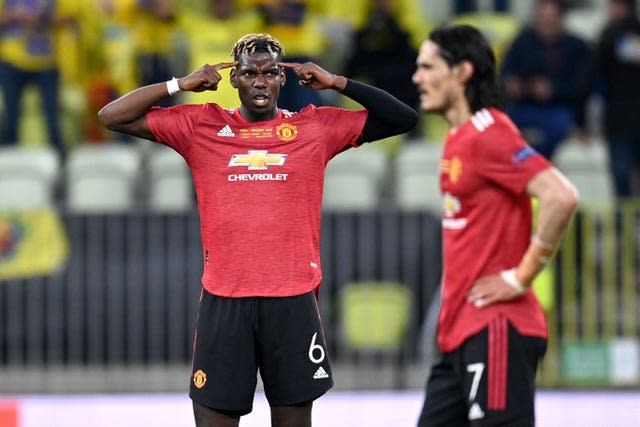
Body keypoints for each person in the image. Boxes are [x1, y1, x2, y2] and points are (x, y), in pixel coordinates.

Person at [98, 33, 417, 427]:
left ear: (284, 79)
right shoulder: (201, 125)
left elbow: (404, 118)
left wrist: (337, 83)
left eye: (270, 73)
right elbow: (111, 116)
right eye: (250, 73)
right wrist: (179, 84)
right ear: (234, 79)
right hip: (225, 299)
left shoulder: (314, 128)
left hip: (293, 299)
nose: (261, 82)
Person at [411, 24, 578, 426]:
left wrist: (521, 278)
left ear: (462, 72)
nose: (417, 77)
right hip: (459, 334)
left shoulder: (491, 133)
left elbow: (561, 195)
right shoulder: (458, 137)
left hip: (496, 327)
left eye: (428, 66)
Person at [500, 0, 591, 160]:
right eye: (543, 19)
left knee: (558, 127)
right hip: (525, 106)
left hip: (559, 108)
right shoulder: (522, 42)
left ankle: (536, 165)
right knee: (500, 128)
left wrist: (553, 89)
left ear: (561, 19)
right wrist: (512, 84)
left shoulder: (576, 47)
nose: (546, 24)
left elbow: (582, 86)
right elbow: (505, 73)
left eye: (551, 19)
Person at [577, 0, 640, 199]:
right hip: (622, 120)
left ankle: (625, 227)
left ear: (620, 7)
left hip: (619, 120)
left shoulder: (609, 36)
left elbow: (589, 81)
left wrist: (582, 122)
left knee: (621, 178)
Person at [0, 0, 75, 154]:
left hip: (46, 62)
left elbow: (70, 18)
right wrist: (17, 17)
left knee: (53, 118)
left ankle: (60, 163)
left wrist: (43, 18)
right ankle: (7, 164)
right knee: (11, 118)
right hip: (12, 61)